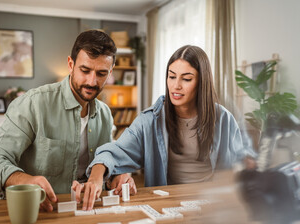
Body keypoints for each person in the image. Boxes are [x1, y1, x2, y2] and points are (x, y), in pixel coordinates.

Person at [79, 45, 257, 210]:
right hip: (168, 204)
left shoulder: (224, 119)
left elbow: (239, 166)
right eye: (172, 76)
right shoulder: (150, 120)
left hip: (212, 206)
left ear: (202, 82)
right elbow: (115, 151)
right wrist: (95, 177)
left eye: (186, 79)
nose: (176, 86)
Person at [0, 30, 134, 212]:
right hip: (42, 212)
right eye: (85, 70)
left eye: (101, 73)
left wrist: (117, 177)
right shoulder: (33, 104)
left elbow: (108, 161)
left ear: (111, 71)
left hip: (90, 212)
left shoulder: (105, 115)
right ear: (70, 64)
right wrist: (26, 181)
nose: (92, 81)